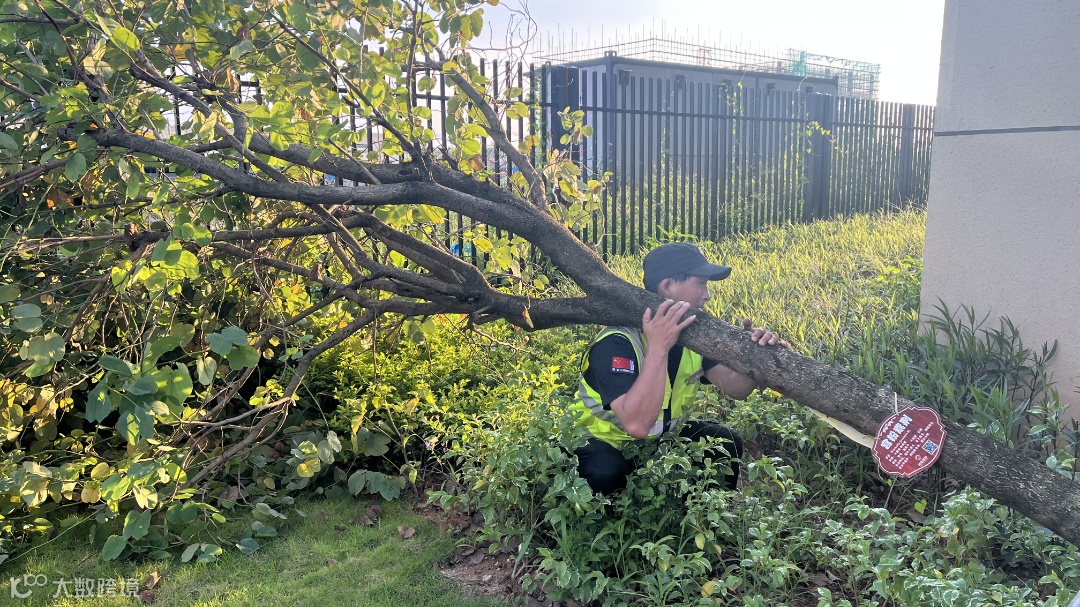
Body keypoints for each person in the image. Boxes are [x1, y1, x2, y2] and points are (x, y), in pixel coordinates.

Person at [570, 242, 787, 495]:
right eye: (701, 283)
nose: (707, 295)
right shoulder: (616, 342)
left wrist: (757, 358)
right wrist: (659, 347)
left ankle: (702, 516)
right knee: (606, 470)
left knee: (724, 443)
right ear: (668, 286)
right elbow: (637, 426)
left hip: (660, 440)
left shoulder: (693, 336)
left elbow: (735, 388)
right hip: (599, 442)